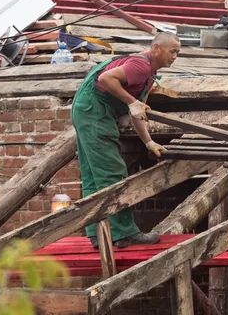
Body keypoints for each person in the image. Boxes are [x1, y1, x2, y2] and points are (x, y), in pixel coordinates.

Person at [70, 32, 181, 248]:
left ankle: (96, 234)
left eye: (177, 52)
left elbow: (137, 112)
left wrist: (149, 142)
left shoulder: (149, 76)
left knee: (93, 175)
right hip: (95, 112)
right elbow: (105, 78)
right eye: (172, 51)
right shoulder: (141, 66)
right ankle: (123, 234)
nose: (175, 56)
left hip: (87, 110)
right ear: (156, 49)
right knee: (112, 172)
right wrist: (132, 101)